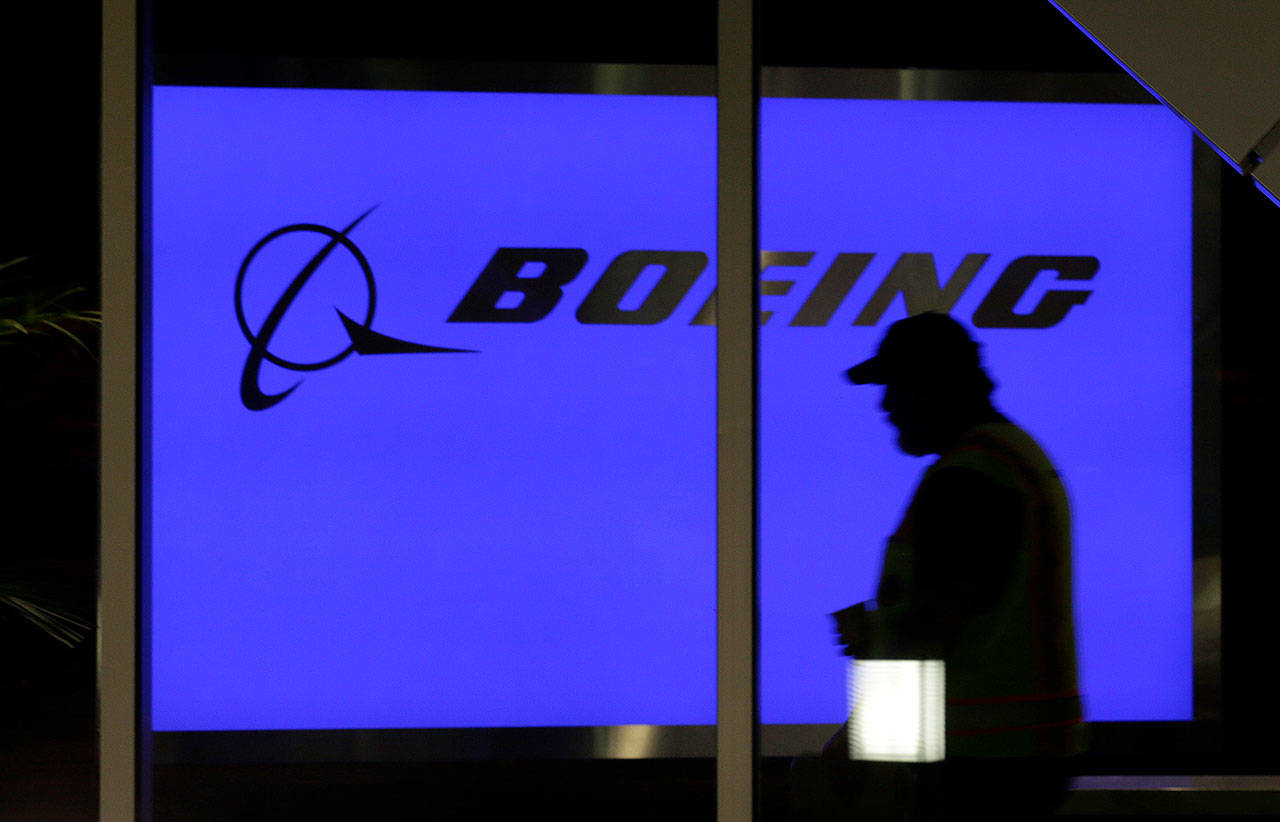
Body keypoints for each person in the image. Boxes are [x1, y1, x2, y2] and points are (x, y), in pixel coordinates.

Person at [825, 311, 1085, 820]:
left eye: (896, 387)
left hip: (984, 764)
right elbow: (978, 611)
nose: (886, 405)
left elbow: (932, 628)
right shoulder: (1010, 459)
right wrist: (882, 630)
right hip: (1017, 757)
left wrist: (862, 743)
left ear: (934, 386)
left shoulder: (969, 478)